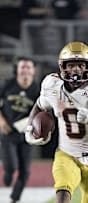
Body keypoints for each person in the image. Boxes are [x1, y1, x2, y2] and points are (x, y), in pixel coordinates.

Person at [24, 41, 88, 203]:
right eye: (71, 65)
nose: (76, 70)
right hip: (67, 155)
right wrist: (29, 127)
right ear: (62, 67)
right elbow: (39, 105)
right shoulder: (53, 86)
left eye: (81, 65)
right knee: (62, 194)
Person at [0, 57, 40, 203]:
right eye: (22, 67)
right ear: (17, 69)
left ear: (33, 71)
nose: (25, 70)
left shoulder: (37, 90)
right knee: (11, 166)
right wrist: (1, 120)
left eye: (28, 67)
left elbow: (43, 111)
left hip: (26, 134)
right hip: (8, 132)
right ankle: (8, 173)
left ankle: (14, 199)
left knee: (25, 170)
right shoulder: (7, 84)